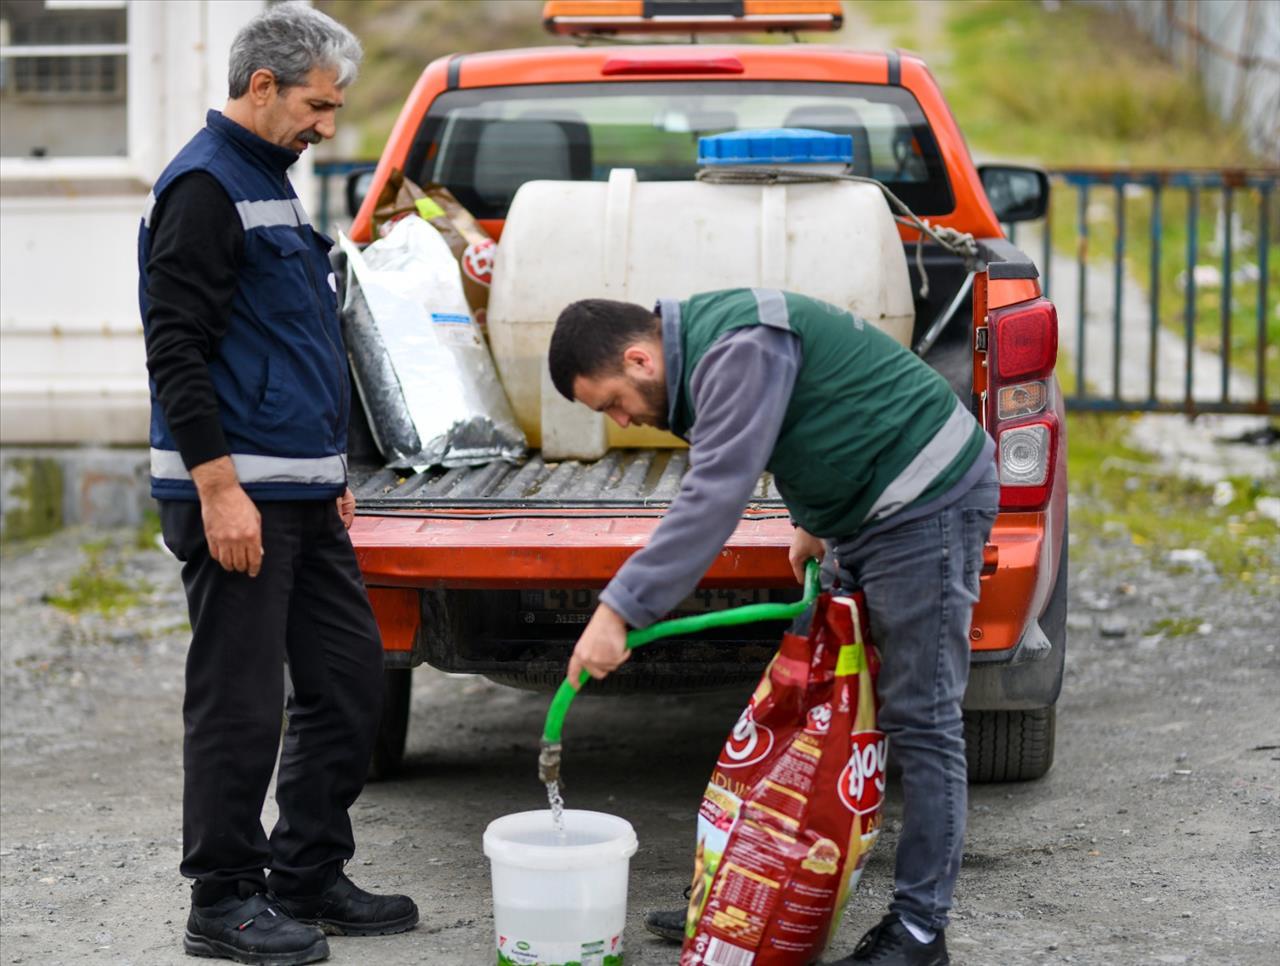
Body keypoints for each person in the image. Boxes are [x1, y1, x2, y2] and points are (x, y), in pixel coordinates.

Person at [548, 288, 999, 966]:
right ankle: (770, 895)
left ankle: (919, 931)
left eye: (613, 401)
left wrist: (619, 611)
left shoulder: (735, 349)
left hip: (925, 503)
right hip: (863, 515)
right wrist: (814, 516)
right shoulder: (699, 357)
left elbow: (714, 496)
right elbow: (809, 409)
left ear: (640, 358)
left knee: (921, 718)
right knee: (831, 717)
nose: (622, 419)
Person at [139, 5, 417, 963]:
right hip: (235, 500)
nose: (327, 127)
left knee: (347, 685)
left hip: (299, 493)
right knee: (240, 703)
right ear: (262, 85)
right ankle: (221, 899)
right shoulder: (203, 188)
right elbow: (176, 348)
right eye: (317, 105)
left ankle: (304, 874)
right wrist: (218, 490)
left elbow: (297, 344)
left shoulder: (267, 178)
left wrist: (334, 469)